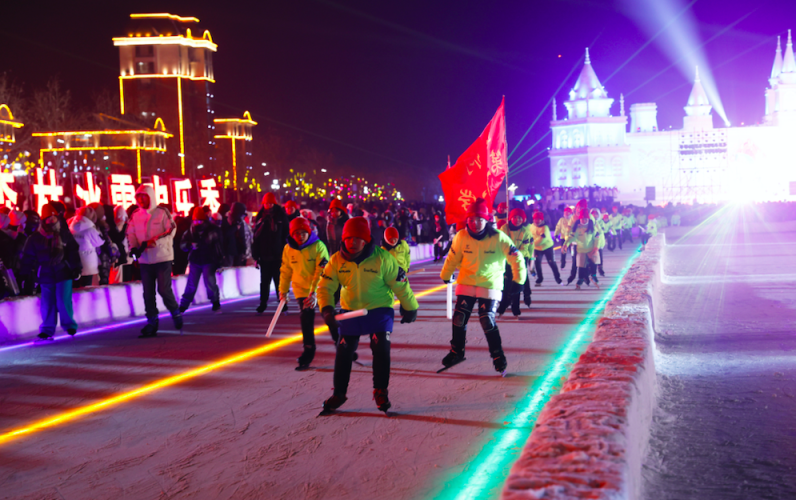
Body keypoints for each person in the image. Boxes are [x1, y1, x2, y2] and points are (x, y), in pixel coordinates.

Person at [318, 216, 419, 413]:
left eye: (358, 239)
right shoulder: (337, 260)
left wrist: (410, 306)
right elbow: (325, 287)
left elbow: (400, 283)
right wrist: (327, 308)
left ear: (366, 240)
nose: (353, 243)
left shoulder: (383, 258)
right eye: (349, 238)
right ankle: (339, 393)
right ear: (343, 239)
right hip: (351, 310)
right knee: (344, 350)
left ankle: (380, 390)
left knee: (380, 346)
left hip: (379, 308)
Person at [440, 198, 526, 374]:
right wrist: (446, 274)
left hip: (490, 282)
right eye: (471, 219)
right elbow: (453, 257)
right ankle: (457, 351)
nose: (475, 223)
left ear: (486, 219)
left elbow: (516, 258)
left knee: (486, 318)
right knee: (459, 317)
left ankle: (497, 355)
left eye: (479, 219)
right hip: (467, 281)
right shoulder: (461, 236)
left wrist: (519, 280)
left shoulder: (498, 237)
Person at [20, 204, 82, 339]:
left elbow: (73, 251)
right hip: (45, 272)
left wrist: (76, 267)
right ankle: (47, 329)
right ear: (44, 219)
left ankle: (69, 325)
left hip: (63, 271)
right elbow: (28, 256)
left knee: (63, 300)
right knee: (47, 302)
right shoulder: (35, 237)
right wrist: (24, 273)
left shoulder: (64, 234)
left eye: (54, 217)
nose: (52, 220)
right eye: (49, 218)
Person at [279, 216, 333, 370]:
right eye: (296, 233)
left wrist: (314, 292)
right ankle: (308, 353)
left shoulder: (318, 246)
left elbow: (321, 271)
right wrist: (283, 291)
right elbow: (285, 271)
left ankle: (342, 344)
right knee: (306, 319)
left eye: (304, 232)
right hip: (301, 290)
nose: (300, 236)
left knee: (329, 317)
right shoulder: (288, 249)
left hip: (321, 288)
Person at [127, 185, 181, 337]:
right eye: (139, 197)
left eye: (144, 196)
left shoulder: (162, 213)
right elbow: (130, 233)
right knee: (148, 293)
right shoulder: (135, 215)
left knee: (163, 289)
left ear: (151, 196)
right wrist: (133, 248)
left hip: (162, 257)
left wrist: (154, 241)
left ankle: (175, 312)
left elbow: (171, 230)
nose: (141, 200)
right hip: (145, 260)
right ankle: (152, 322)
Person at [179, 207, 223, 313]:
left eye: (199, 220)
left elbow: (218, 247)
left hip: (209, 260)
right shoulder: (190, 231)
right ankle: (183, 305)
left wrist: (220, 262)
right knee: (191, 284)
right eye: (195, 220)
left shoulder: (212, 230)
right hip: (195, 260)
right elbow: (182, 245)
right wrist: (190, 245)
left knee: (210, 282)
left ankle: (215, 303)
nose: (196, 223)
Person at [253, 193, 289, 314]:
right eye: (266, 203)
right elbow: (256, 238)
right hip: (264, 255)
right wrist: (256, 255)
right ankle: (263, 303)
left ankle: (282, 304)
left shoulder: (281, 217)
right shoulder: (260, 218)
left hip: (278, 255)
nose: (268, 205)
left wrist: (286, 252)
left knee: (279, 281)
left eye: (270, 203)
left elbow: (286, 235)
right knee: (264, 282)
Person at [499, 208, 533, 317]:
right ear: (510, 218)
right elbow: (500, 243)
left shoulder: (525, 232)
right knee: (505, 284)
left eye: (520, 218)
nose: (517, 220)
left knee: (518, 282)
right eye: (515, 217)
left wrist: (517, 253)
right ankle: (503, 305)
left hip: (520, 259)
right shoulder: (504, 229)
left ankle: (516, 308)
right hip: (506, 259)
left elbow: (525, 248)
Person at [69, 206, 105, 288]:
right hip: (88, 262)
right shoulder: (90, 229)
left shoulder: (71, 226)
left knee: (76, 287)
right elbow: (100, 242)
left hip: (74, 261)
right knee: (87, 286)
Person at [565, 209, 599, 290]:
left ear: (588, 219)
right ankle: (580, 279)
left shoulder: (592, 227)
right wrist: (565, 244)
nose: (584, 220)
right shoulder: (577, 228)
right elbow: (571, 237)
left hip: (591, 249)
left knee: (594, 262)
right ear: (580, 219)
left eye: (586, 219)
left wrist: (596, 247)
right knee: (581, 266)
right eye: (582, 219)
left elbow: (596, 238)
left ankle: (593, 275)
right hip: (581, 250)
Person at [530, 210, 562, 286]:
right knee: (537, 263)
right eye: (535, 219)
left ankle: (557, 278)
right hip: (537, 249)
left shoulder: (545, 228)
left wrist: (531, 244)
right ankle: (540, 278)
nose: (537, 221)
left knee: (551, 262)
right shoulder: (531, 226)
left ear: (542, 220)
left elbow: (542, 240)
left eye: (538, 219)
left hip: (547, 247)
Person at [591, 208, 607, 277]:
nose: (595, 215)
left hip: (599, 242)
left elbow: (602, 229)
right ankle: (591, 270)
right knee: (592, 257)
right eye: (593, 213)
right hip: (591, 242)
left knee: (600, 256)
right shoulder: (589, 221)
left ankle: (600, 269)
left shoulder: (601, 221)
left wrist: (598, 232)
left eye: (596, 214)